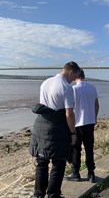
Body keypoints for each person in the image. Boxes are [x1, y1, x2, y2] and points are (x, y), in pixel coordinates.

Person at [29, 61, 80, 198]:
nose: (74, 80)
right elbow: (69, 113)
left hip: (41, 125)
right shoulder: (66, 87)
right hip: (57, 128)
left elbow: (44, 105)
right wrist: (73, 133)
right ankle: (53, 194)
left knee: (42, 162)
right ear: (71, 72)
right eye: (74, 76)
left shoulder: (45, 82)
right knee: (58, 162)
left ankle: (38, 194)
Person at [64, 69, 99, 183]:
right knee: (89, 149)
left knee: (76, 149)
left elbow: (70, 109)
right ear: (84, 76)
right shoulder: (92, 87)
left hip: (77, 123)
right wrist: (94, 118)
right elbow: (96, 104)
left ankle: (76, 172)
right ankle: (91, 173)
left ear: (75, 76)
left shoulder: (73, 89)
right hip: (89, 122)